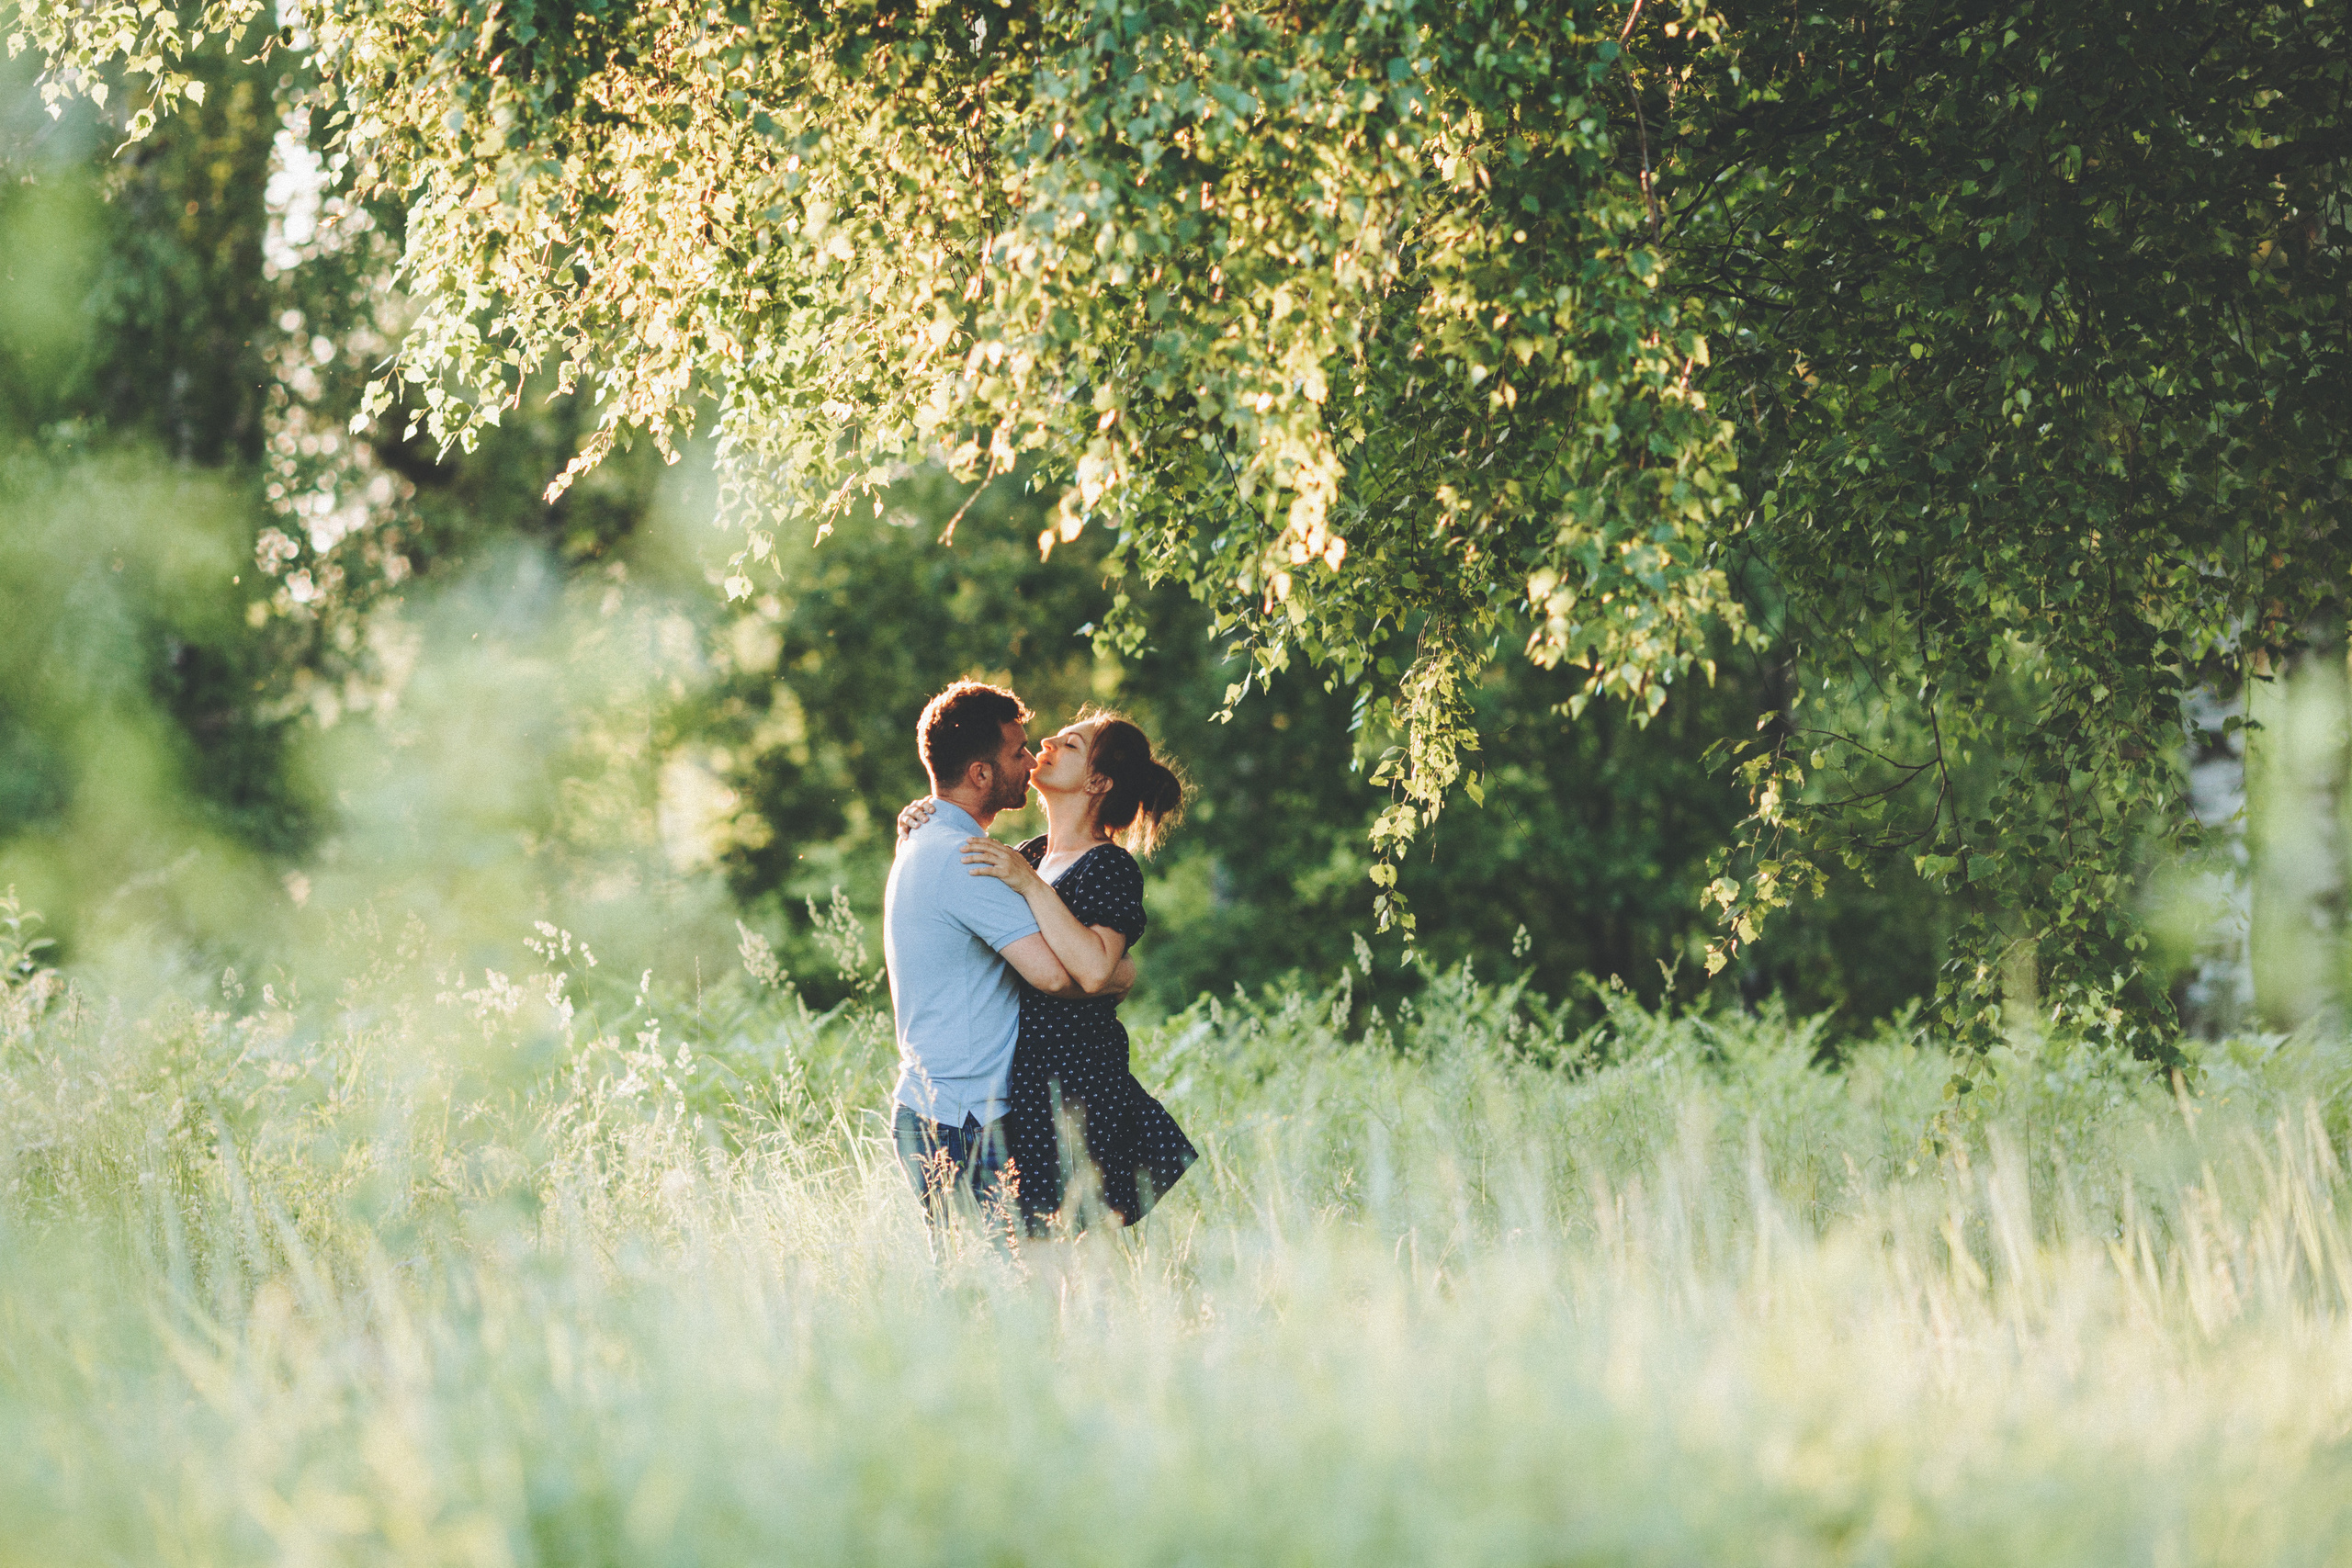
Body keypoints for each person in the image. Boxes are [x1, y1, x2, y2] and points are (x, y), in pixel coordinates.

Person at [900, 708, 1196, 1233]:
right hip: (1028, 1089)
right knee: (1033, 1258)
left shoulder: (1108, 865)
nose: (1048, 741)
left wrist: (1031, 886)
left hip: (1077, 1085)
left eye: (1072, 745)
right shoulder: (1030, 855)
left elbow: (1092, 969)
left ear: (1097, 782)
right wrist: (929, 811)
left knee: (1066, 1258)